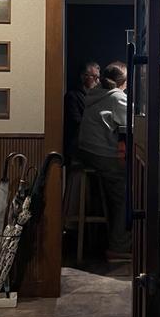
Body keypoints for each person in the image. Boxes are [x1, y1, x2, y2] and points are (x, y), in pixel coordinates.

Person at [77, 61, 131, 261]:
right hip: (101, 155)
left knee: (120, 189)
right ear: (123, 81)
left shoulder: (95, 93)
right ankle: (119, 247)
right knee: (129, 192)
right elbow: (131, 122)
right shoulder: (117, 97)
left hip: (86, 152)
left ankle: (112, 239)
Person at [63, 61, 100, 164]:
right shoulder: (73, 96)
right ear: (83, 77)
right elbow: (76, 122)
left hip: (93, 145)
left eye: (98, 77)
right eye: (94, 77)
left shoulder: (97, 96)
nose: (97, 81)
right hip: (78, 146)